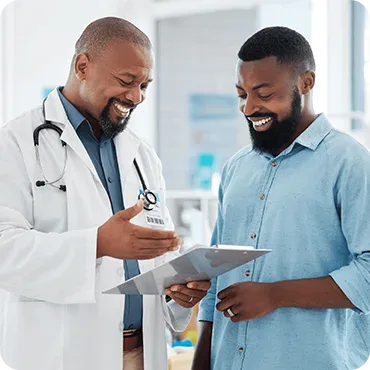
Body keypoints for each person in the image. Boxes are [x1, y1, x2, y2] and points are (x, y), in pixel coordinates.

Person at [0, 17, 210, 370]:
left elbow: (157, 253)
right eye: (127, 81)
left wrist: (179, 291)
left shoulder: (142, 155)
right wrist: (97, 243)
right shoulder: (15, 144)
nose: (137, 96)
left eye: (145, 85)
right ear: (83, 66)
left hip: (141, 353)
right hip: (61, 354)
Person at [191, 26, 370, 370]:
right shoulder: (235, 170)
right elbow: (216, 282)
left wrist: (275, 294)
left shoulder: (349, 163)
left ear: (306, 83)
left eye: (264, 93)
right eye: (242, 94)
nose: (249, 108)